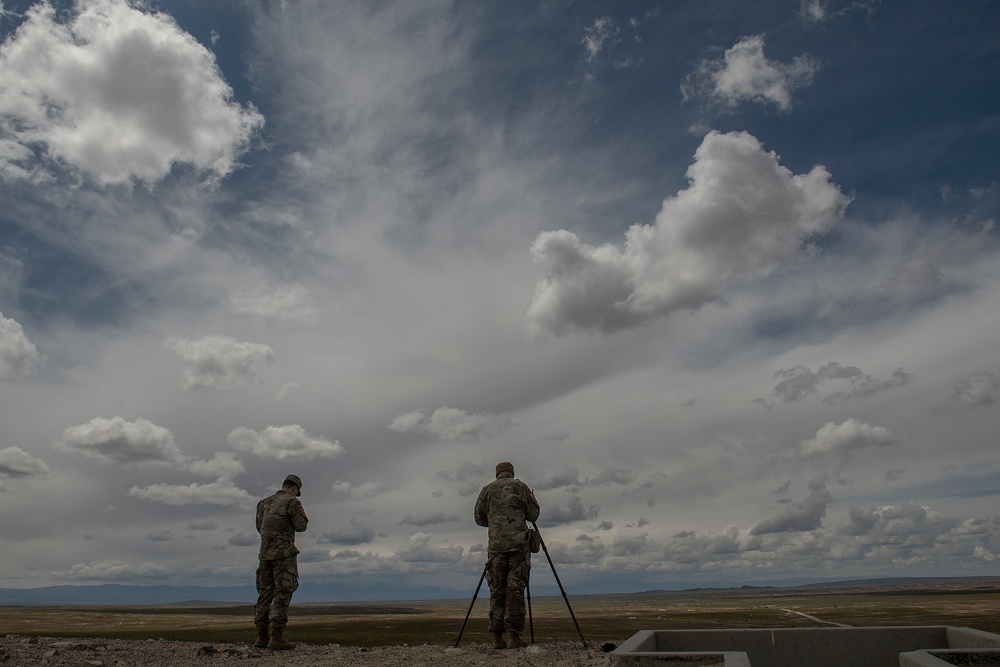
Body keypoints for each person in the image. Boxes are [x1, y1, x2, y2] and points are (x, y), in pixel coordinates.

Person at [474, 461, 540, 649]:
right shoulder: (521, 487)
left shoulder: (486, 490)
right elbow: (533, 514)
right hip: (519, 547)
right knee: (515, 590)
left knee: (497, 590)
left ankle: (496, 637)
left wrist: (497, 523)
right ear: (511, 472)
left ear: (497, 474)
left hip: (496, 548)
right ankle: (514, 637)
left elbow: (479, 518)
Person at [253, 474, 309, 650]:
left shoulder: (263, 503)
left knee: (264, 594)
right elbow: (301, 526)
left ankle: (261, 636)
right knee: (283, 593)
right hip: (283, 555)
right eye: (296, 491)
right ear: (295, 488)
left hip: (264, 555)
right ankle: (276, 636)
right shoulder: (292, 502)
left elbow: (258, 526)